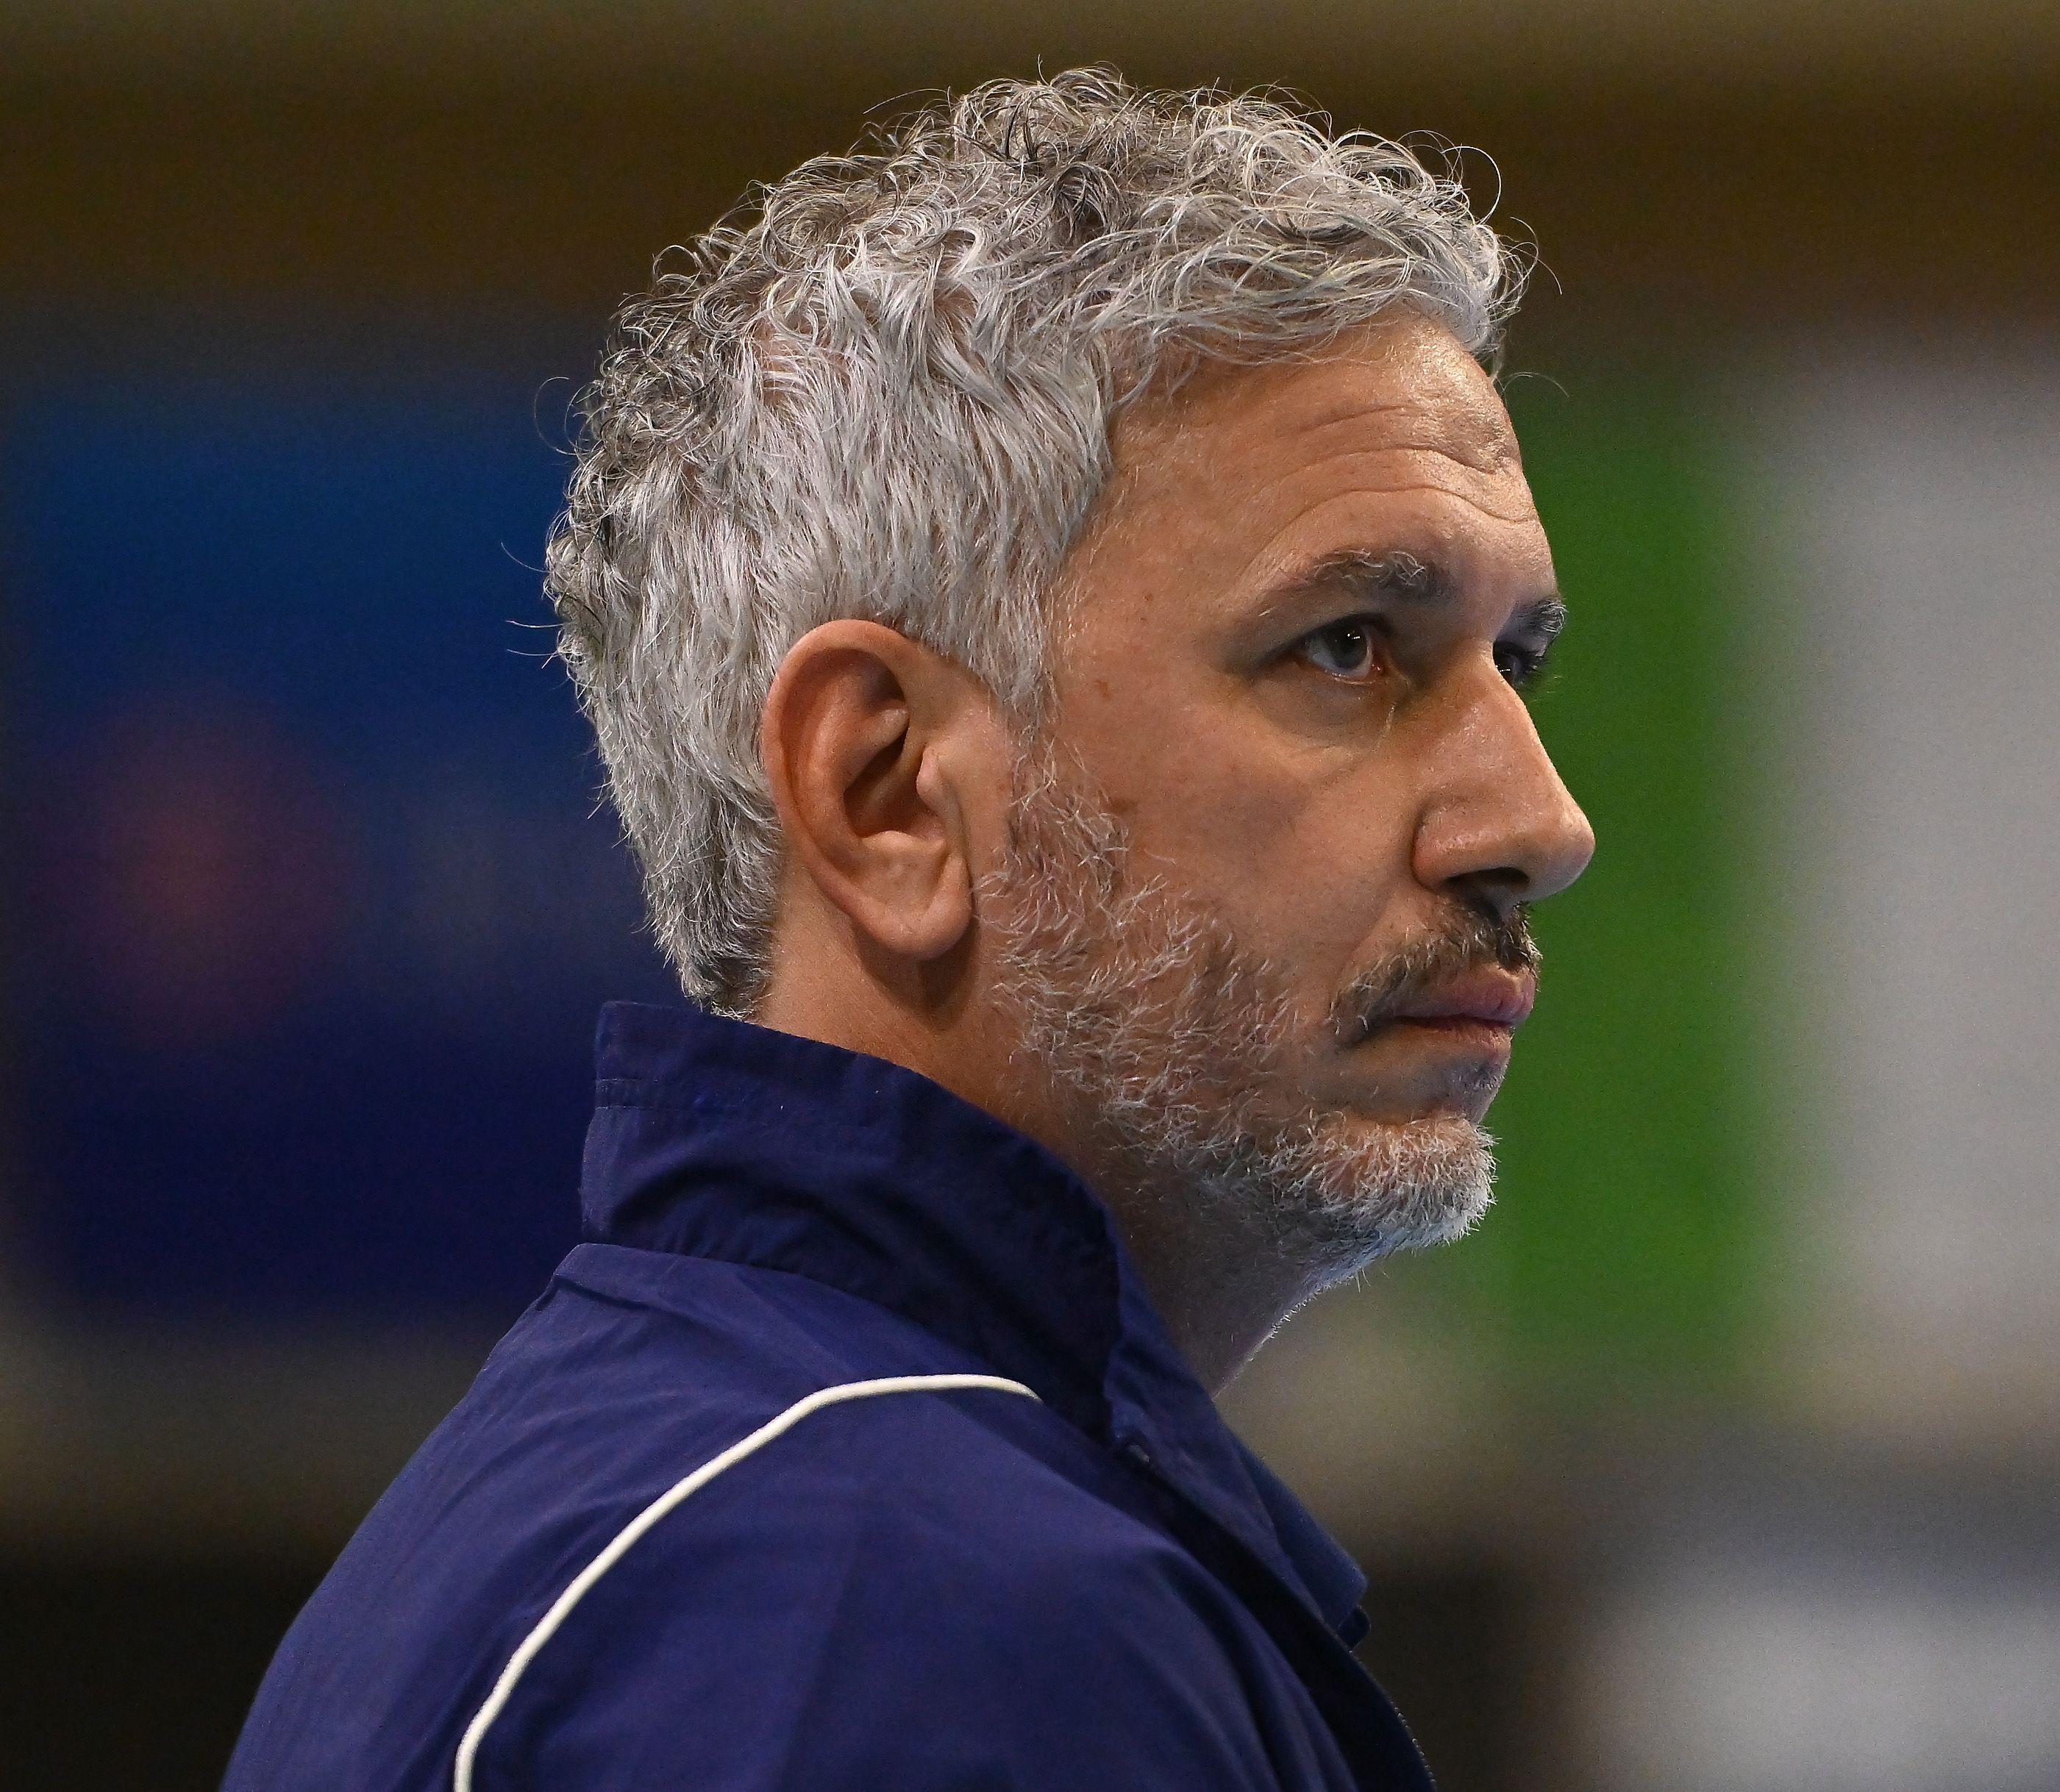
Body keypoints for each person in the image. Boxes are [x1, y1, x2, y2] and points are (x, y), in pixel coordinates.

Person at [223, 68, 1592, 1791]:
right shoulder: (893, 1609)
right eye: (1348, 645)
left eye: (1514, 661)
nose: (1538, 823)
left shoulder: (747, 1515)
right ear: (885, 793)